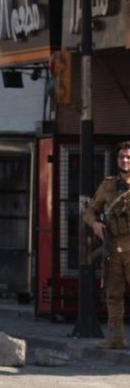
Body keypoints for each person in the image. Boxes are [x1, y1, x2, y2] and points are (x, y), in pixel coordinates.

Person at [82, 141, 130, 350]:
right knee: (113, 294)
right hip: (113, 247)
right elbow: (89, 210)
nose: (125, 160)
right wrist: (95, 224)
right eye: (122, 157)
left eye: (128, 157)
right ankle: (117, 338)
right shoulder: (108, 185)